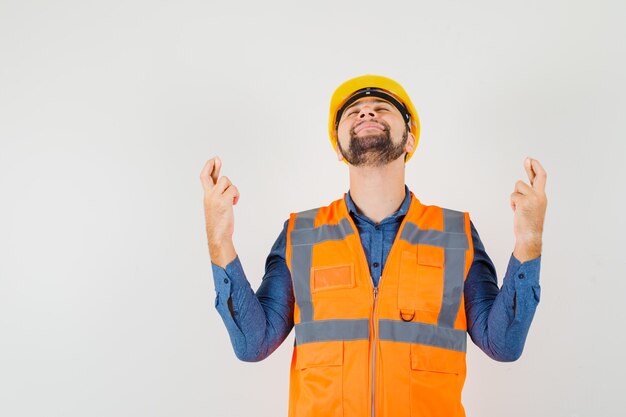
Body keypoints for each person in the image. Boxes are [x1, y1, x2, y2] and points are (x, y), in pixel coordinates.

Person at [199, 75, 547, 417]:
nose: (366, 113)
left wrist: (529, 241)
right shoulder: (300, 234)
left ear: (409, 139)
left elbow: (503, 344)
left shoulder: (457, 235)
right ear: (338, 148)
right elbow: (252, 343)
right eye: (353, 112)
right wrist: (220, 241)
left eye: (382, 108)